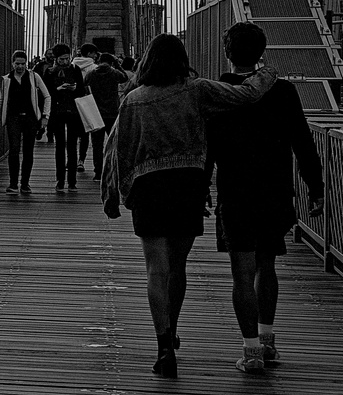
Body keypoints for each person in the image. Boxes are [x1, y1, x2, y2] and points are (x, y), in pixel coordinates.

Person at [102, 33, 277, 378]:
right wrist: (266, 72)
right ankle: (174, 324)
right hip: (186, 185)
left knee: (156, 268)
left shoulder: (133, 99)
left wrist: (114, 195)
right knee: (177, 267)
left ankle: (164, 342)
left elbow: (116, 149)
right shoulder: (197, 90)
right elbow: (247, 95)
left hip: (148, 186)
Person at [206, 22, 324, 374]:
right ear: (262, 52)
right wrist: (315, 188)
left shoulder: (218, 90)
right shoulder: (284, 91)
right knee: (267, 266)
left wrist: (201, 187)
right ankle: (268, 340)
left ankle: (252, 351)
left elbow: (208, 146)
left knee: (241, 274)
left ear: (228, 52)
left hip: (235, 190)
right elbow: (303, 142)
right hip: (274, 190)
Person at [0, 49, 51, 194]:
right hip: (13, 117)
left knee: (28, 151)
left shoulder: (34, 76)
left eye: (23, 64)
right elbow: (1, 99)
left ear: (26, 64)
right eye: (17, 63)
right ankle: (13, 184)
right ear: (13, 63)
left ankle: (25, 184)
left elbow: (47, 96)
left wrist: (45, 116)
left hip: (30, 118)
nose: (20, 67)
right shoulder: (7, 79)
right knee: (14, 149)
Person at [45, 43, 88, 190]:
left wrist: (75, 88)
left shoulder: (75, 69)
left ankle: (72, 181)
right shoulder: (49, 72)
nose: (65, 61)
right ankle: (60, 180)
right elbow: (45, 93)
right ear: (56, 59)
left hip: (73, 112)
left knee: (71, 146)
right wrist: (58, 89)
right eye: (62, 59)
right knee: (59, 146)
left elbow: (82, 90)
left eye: (67, 58)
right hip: (57, 112)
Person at [85, 52, 127, 174]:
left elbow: (84, 83)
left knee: (97, 144)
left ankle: (98, 171)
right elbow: (124, 77)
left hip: (96, 112)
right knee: (115, 142)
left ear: (99, 61)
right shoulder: (114, 73)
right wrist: (118, 65)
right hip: (112, 112)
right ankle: (114, 168)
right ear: (111, 62)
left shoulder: (91, 73)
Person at [71, 42, 100, 172]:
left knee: (71, 133)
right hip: (87, 102)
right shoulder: (94, 68)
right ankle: (81, 160)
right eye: (94, 53)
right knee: (85, 134)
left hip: (71, 102)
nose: (95, 56)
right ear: (89, 54)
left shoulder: (71, 65)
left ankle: (70, 159)